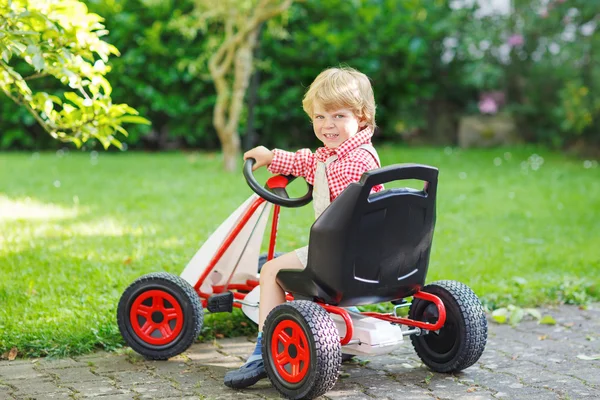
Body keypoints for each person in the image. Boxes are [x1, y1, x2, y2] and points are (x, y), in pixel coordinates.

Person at [224, 66, 383, 389]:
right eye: (320, 117)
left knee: (270, 270)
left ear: (362, 118)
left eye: (338, 116)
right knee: (288, 264)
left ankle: (264, 349)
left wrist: (273, 159)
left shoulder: (347, 165)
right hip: (372, 255)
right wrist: (272, 157)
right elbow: (310, 163)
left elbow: (319, 170)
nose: (328, 126)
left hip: (341, 256)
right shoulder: (356, 155)